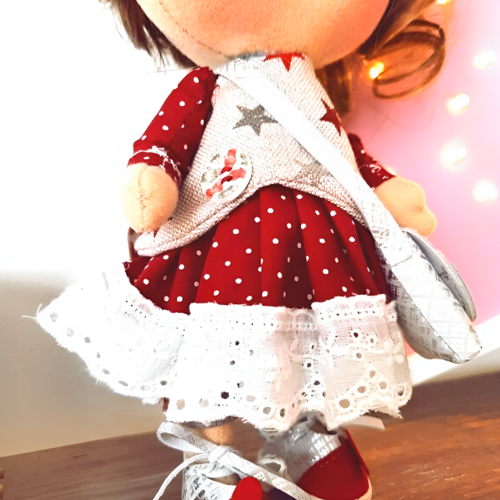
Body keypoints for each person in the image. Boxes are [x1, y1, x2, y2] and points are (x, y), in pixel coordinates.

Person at [38, 1, 447, 498]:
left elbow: (343, 152)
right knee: (213, 358)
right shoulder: (207, 87)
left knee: (311, 344)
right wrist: (152, 179)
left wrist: (386, 190)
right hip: (219, 248)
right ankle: (210, 460)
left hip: (315, 256)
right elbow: (166, 142)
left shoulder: (309, 87)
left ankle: (306, 433)